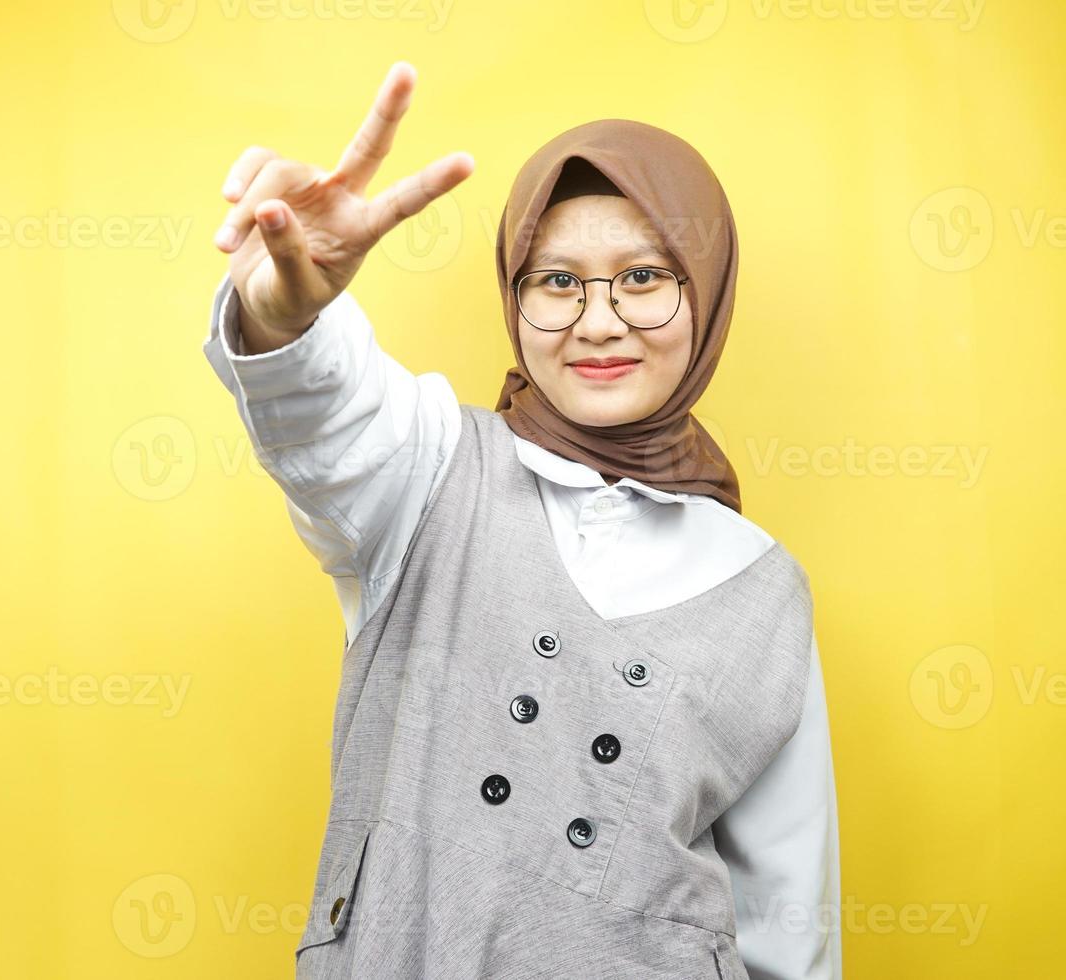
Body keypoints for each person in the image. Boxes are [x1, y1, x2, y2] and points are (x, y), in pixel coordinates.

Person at [204, 61, 840, 980]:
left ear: (706, 289)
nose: (599, 322)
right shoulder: (425, 469)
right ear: (514, 295)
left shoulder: (765, 584)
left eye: (645, 277)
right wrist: (285, 316)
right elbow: (324, 414)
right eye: (557, 282)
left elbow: (791, 919)